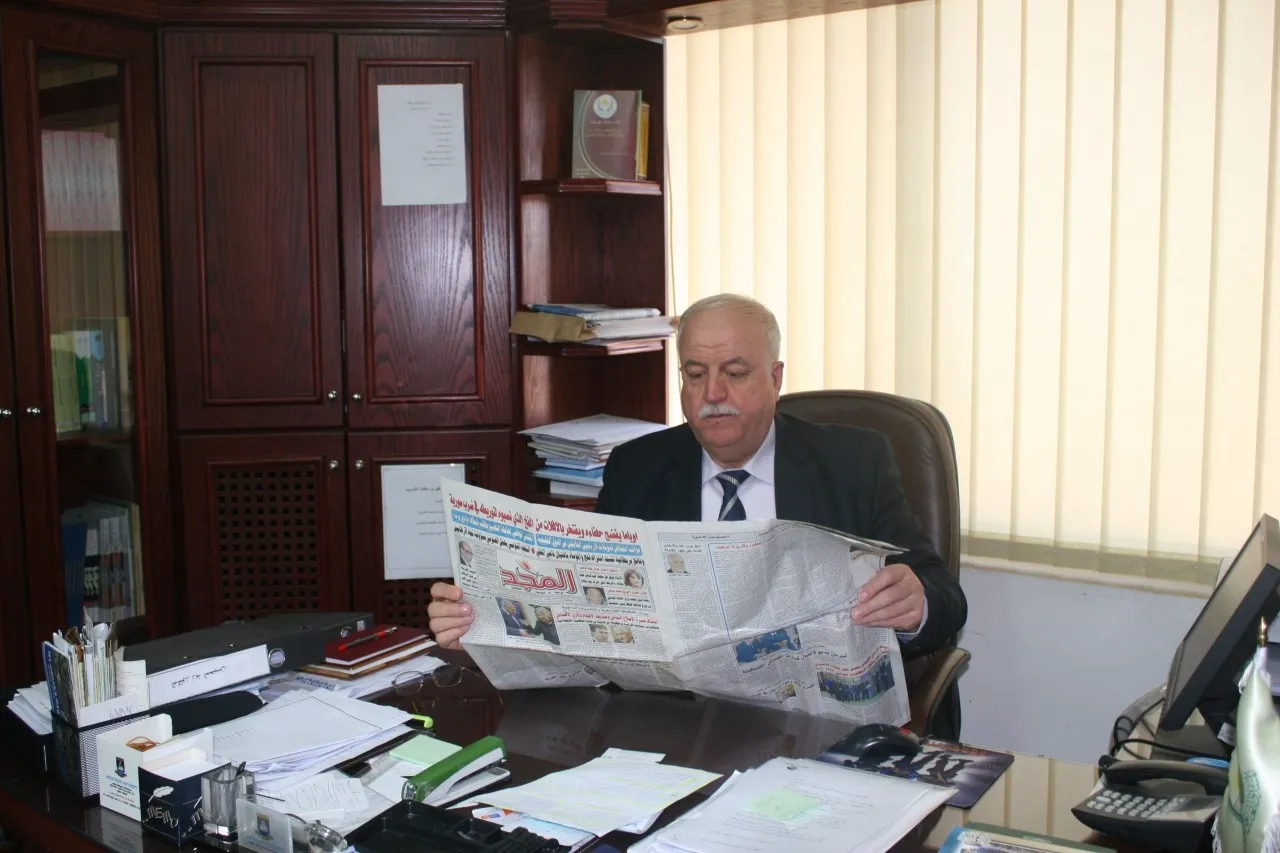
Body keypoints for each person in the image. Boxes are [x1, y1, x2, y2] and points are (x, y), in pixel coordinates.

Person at [429, 292, 966, 660]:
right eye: (695, 373)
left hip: (812, 724)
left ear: (775, 378)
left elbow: (944, 594)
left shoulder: (854, 461)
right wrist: (485, 622)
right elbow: (589, 608)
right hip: (680, 722)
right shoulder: (638, 468)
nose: (713, 394)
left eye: (735, 373)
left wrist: (916, 603)